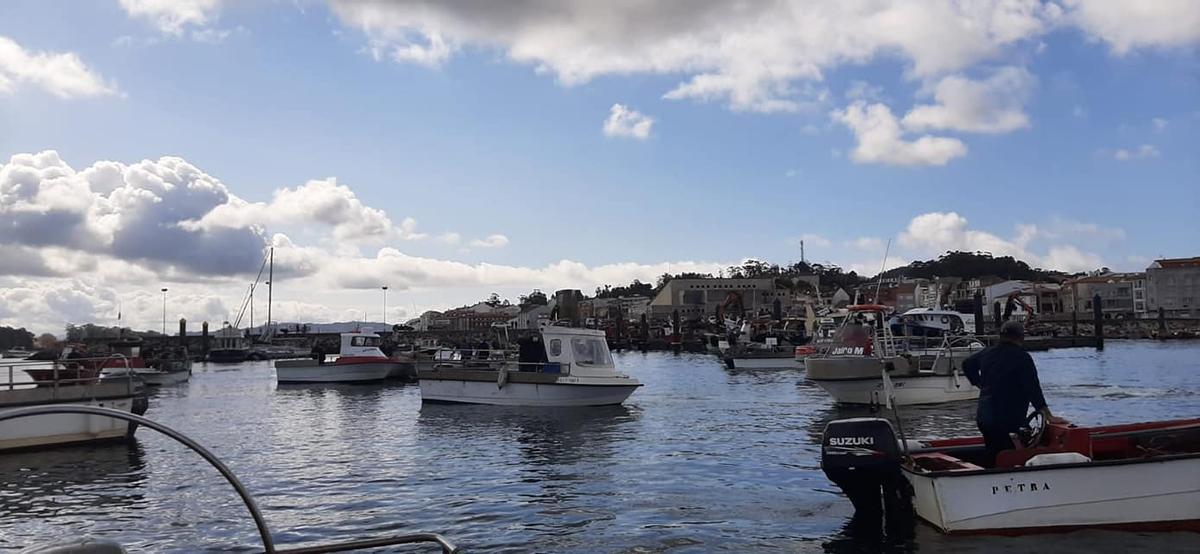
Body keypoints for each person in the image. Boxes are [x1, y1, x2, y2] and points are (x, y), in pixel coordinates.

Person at [963, 320, 1064, 466]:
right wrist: (1048, 415)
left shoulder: (987, 352)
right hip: (1007, 419)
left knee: (992, 451)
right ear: (1021, 337)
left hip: (984, 417)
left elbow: (967, 364)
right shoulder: (1022, 358)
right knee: (1008, 452)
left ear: (1001, 336)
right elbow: (1033, 389)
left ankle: (990, 473)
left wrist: (979, 383)